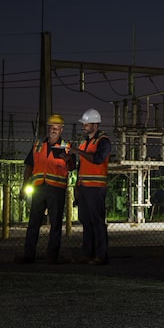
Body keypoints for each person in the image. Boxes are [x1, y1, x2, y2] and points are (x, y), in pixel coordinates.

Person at [16, 114, 75, 264]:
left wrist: (68, 159)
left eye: (56, 128)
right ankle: (29, 255)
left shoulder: (66, 147)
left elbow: (72, 167)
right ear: (48, 129)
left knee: (55, 224)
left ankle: (52, 256)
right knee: (33, 223)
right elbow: (29, 167)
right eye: (51, 127)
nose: (53, 130)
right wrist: (24, 185)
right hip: (39, 188)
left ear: (61, 130)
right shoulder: (38, 146)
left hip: (56, 190)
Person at [67, 108, 112, 265]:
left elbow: (98, 159)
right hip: (85, 187)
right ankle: (88, 254)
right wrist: (77, 185)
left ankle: (101, 256)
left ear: (95, 125)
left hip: (96, 187)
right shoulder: (84, 142)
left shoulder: (103, 141)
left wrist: (78, 151)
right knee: (86, 221)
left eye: (86, 124)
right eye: (84, 124)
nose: (84, 126)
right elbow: (81, 167)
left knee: (97, 222)